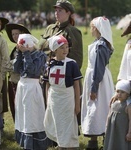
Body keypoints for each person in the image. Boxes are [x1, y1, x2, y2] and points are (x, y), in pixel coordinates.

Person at [38, 0, 83, 129]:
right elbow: (40, 48)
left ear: (69, 13)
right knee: (49, 107)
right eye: (55, 10)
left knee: (65, 112)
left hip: (62, 79)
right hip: (46, 75)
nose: (56, 13)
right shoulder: (50, 28)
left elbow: (77, 59)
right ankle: (52, 137)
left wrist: (62, 75)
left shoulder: (72, 31)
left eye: (60, 10)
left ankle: (67, 141)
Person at [43, 35, 82, 150]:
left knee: (68, 122)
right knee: (56, 121)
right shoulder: (50, 64)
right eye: (62, 48)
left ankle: (69, 145)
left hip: (67, 97)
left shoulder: (72, 64)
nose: (65, 50)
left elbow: (76, 85)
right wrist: (47, 101)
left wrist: (77, 104)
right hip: (54, 98)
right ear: (55, 50)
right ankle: (61, 144)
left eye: (66, 47)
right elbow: (47, 85)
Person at [81, 16, 114, 150]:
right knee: (99, 107)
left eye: (91, 27)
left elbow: (98, 68)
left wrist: (94, 88)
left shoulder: (100, 46)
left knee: (97, 107)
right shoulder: (99, 43)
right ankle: (96, 138)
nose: (90, 30)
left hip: (97, 79)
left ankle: (96, 140)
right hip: (98, 78)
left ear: (97, 28)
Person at [13, 33, 48, 150]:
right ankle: (24, 139)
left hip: (32, 86)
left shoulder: (40, 55)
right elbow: (16, 69)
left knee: (32, 114)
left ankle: (35, 142)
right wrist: (19, 54)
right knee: (23, 113)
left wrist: (27, 54)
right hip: (22, 86)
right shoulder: (22, 54)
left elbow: (32, 69)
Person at [5, 23, 31, 122]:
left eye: (17, 34)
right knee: (14, 107)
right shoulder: (15, 48)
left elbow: (21, 66)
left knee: (21, 107)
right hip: (12, 81)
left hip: (20, 82)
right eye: (13, 34)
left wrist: (10, 65)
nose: (15, 36)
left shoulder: (26, 48)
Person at [104, 79, 131, 150]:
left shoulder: (128, 106)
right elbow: (109, 115)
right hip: (113, 130)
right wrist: (106, 126)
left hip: (122, 132)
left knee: (121, 144)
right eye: (117, 91)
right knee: (112, 142)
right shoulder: (114, 103)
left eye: (122, 92)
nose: (119, 94)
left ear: (128, 94)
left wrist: (129, 132)